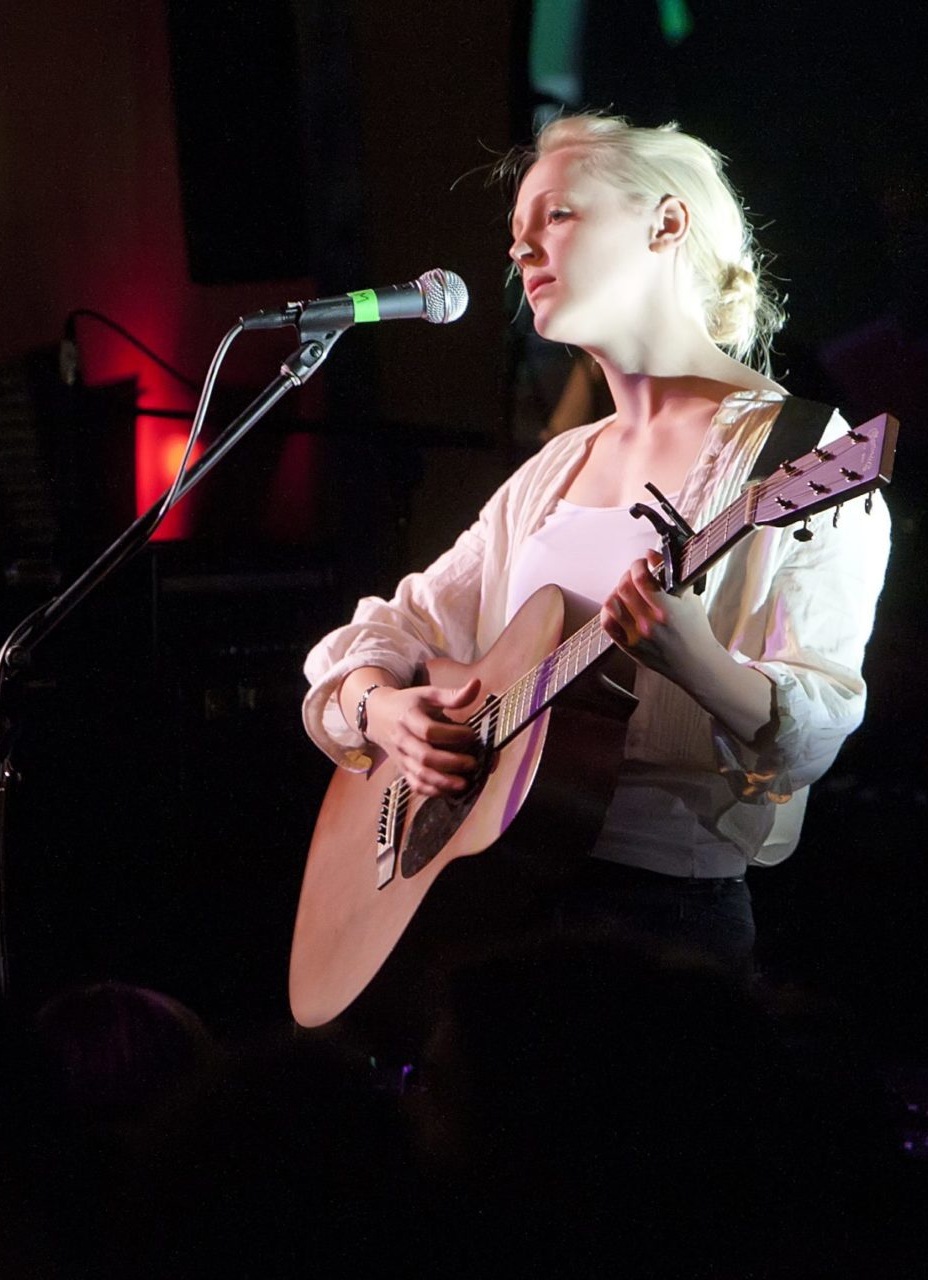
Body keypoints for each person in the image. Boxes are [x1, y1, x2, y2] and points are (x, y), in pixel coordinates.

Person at [301, 112, 892, 973]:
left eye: (557, 216)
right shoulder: (558, 466)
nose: (521, 249)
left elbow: (820, 719)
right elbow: (390, 629)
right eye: (516, 234)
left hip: (665, 920)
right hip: (502, 912)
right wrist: (380, 709)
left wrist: (697, 661)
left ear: (666, 222)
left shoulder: (801, 451)